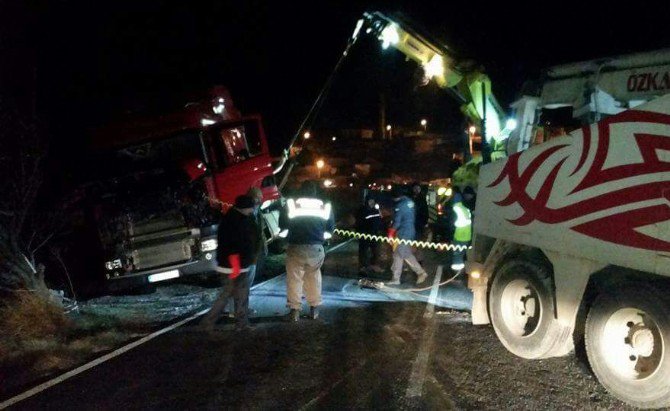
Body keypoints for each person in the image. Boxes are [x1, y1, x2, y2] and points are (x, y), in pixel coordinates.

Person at [199, 195, 261, 331]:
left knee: (234, 295)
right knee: (233, 295)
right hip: (234, 267)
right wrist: (236, 266)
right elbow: (232, 245)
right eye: (251, 207)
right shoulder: (236, 221)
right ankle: (210, 323)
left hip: (236, 265)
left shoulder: (233, 218)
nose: (252, 210)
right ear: (245, 208)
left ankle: (240, 324)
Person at [279, 181, 335, 322]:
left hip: (296, 247)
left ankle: (294, 311)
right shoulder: (325, 206)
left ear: (300, 191)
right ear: (315, 192)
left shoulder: (291, 204)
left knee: (294, 279)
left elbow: (283, 227)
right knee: (314, 278)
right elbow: (329, 230)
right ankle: (314, 309)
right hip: (316, 248)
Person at [388, 187, 428, 286]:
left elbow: (397, 221)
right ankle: (418, 273)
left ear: (395, 197)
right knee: (402, 253)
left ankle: (398, 278)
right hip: (410, 230)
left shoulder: (400, 205)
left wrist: (391, 232)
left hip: (403, 232)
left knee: (401, 254)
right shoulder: (410, 202)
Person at [356, 195, 384, 275]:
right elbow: (359, 222)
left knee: (375, 250)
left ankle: (374, 266)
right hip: (364, 234)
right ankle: (362, 267)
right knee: (363, 251)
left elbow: (379, 219)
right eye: (370, 201)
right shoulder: (362, 210)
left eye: (373, 201)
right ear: (367, 201)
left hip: (374, 233)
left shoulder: (376, 210)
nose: (371, 202)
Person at [450, 187, 472, 272]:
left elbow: (461, 223)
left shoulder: (457, 208)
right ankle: (459, 272)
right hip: (466, 236)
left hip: (460, 237)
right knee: (461, 255)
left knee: (457, 255)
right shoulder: (464, 208)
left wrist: (454, 224)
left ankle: (457, 274)